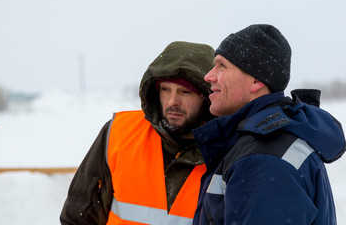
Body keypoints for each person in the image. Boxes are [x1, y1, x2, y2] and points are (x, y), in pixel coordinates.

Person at [192, 24, 346, 225]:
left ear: (256, 81)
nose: (209, 76)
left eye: (222, 66)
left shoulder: (262, 157)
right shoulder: (268, 142)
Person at [60, 41, 215, 225]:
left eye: (185, 92)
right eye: (165, 89)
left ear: (206, 97)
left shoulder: (226, 149)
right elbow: (79, 216)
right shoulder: (119, 133)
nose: (173, 101)